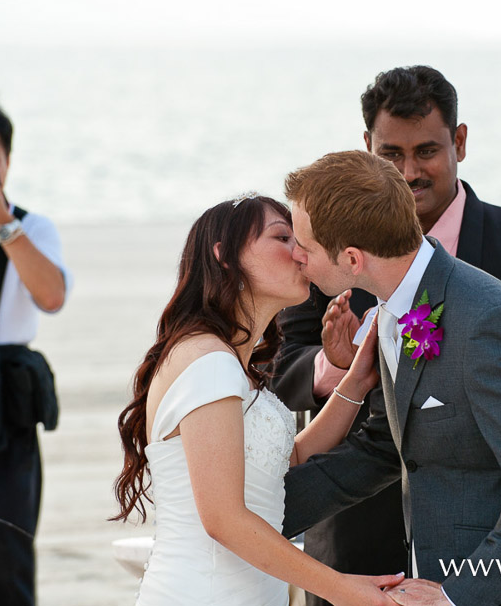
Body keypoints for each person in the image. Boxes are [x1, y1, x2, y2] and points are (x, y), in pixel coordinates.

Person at [269, 66, 501, 598]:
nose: (296, 258)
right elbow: (386, 446)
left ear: (352, 258)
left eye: (304, 246)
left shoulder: (487, 320)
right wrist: (253, 512)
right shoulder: (394, 308)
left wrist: (456, 597)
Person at [111, 194, 406, 606]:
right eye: (282, 237)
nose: (300, 252)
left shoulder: (227, 360)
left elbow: (292, 458)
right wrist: (343, 588)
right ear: (225, 256)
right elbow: (224, 520)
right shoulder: (208, 360)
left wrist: (355, 383)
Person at [0, 91, 70, 606]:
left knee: (4, 550)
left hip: (6, 398)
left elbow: (51, 295)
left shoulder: (31, 227)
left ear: (7, 161)